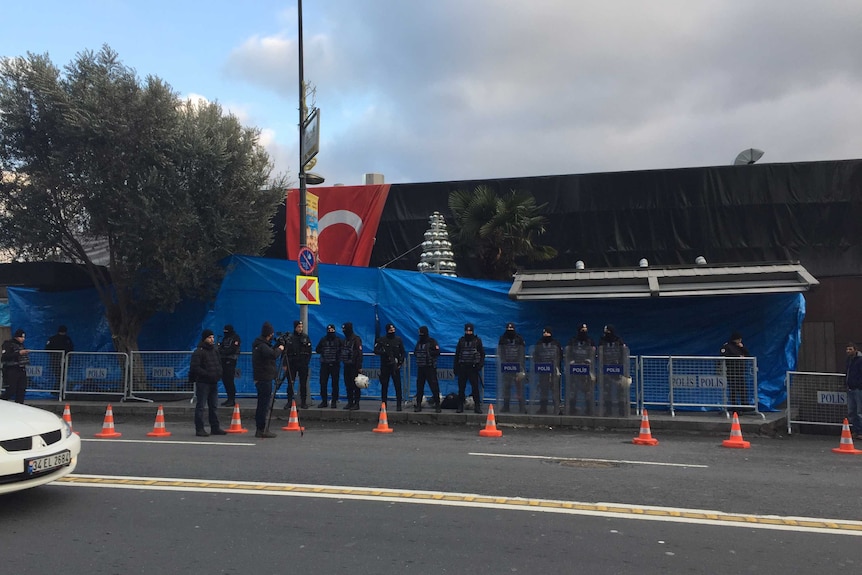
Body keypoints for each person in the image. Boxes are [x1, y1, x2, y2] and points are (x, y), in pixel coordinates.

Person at [190, 329, 227, 437]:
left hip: (213, 382)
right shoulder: (199, 352)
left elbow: (218, 363)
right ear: (204, 338)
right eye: (209, 337)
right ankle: (199, 428)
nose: (212, 339)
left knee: (214, 406)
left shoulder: (214, 351)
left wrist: (219, 373)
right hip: (203, 382)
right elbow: (195, 367)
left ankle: (215, 427)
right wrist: (207, 374)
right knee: (201, 406)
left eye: (212, 337)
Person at [251, 322, 283, 438]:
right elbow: (273, 355)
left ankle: (261, 428)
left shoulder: (260, 345)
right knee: (263, 405)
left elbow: (270, 353)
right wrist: (280, 348)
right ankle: (261, 429)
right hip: (264, 378)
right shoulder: (262, 346)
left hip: (262, 377)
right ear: (269, 334)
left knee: (262, 403)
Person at [374, 323, 405, 411]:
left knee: (397, 385)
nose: (392, 331)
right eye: (390, 330)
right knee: (384, 385)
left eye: (393, 329)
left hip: (395, 366)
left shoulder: (398, 339)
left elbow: (402, 352)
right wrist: (384, 353)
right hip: (385, 365)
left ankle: (399, 404)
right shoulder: (382, 340)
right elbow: (376, 350)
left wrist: (400, 363)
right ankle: (384, 404)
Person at [454, 323, 485, 414]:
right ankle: (460, 406)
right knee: (461, 388)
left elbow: (482, 354)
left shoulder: (477, 341)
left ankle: (477, 406)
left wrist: (480, 365)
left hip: (473, 368)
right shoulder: (461, 341)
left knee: (475, 388)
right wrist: (455, 367)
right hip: (463, 367)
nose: (468, 332)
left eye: (470, 331)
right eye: (467, 331)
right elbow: (457, 355)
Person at [497, 322, 527, 413]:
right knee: (506, 387)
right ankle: (506, 407)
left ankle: (522, 407)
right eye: (508, 329)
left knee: (520, 388)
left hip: (517, 366)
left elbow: (522, 353)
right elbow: (500, 352)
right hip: (506, 367)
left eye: (511, 328)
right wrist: (504, 362)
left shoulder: (519, 339)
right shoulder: (502, 339)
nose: (510, 330)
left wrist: (520, 365)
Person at [282, 320, 312, 409]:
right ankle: (289, 401)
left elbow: (309, 351)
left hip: (302, 363)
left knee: (303, 384)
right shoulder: (290, 338)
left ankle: (303, 402)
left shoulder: (305, 337)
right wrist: (285, 364)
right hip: (292, 363)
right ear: (295, 327)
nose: (300, 329)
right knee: (290, 383)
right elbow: (285, 352)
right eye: (299, 327)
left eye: (301, 327)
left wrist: (306, 362)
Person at [533, 326, 563, 415]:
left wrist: (557, 368)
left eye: (547, 332)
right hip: (543, 371)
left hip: (554, 370)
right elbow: (536, 356)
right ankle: (543, 408)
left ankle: (557, 409)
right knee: (543, 390)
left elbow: (559, 356)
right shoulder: (539, 343)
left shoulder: (556, 343)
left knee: (555, 391)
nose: (545, 334)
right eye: (544, 332)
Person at [720, 331, 752, 411]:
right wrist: (738, 356)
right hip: (732, 371)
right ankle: (735, 407)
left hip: (740, 371)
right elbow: (724, 355)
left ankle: (745, 405)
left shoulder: (739, 346)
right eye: (739, 339)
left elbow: (747, 354)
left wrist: (742, 347)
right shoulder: (727, 346)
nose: (740, 341)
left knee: (743, 389)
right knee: (733, 389)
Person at [414, 325, 441, 413]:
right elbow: (415, 352)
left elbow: (437, 352)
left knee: (434, 386)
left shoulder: (432, 341)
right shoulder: (419, 342)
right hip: (421, 367)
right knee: (419, 387)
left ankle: (437, 404)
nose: (420, 335)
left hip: (430, 367)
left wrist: (429, 353)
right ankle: (418, 404)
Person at [315, 324, 342, 408]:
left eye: (332, 330)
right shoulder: (323, 340)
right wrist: (324, 351)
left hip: (335, 364)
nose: (330, 332)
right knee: (323, 383)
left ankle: (334, 401)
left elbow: (342, 350)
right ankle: (324, 401)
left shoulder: (338, 340)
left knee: (335, 383)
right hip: (325, 364)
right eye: (329, 330)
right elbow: (317, 349)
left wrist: (338, 356)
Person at [1, 329, 30, 403]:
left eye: (23, 337)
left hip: (21, 369)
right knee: (11, 390)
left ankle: (19, 405)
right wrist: (19, 353)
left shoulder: (21, 345)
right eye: (21, 337)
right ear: (16, 337)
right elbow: (5, 357)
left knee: (21, 389)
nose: (23, 339)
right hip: (11, 369)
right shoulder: (8, 344)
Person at [340, 322, 364, 410]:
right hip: (347, 365)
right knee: (348, 385)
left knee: (356, 385)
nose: (343, 331)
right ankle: (350, 402)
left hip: (355, 366)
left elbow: (359, 353)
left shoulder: (356, 339)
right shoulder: (345, 340)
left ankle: (356, 403)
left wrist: (359, 366)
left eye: (344, 329)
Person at [218, 324, 241, 406]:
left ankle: (232, 399)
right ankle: (229, 398)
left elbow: (233, 349)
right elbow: (221, 347)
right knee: (225, 380)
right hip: (223, 360)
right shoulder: (225, 338)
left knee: (229, 380)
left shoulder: (235, 338)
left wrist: (224, 351)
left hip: (231, 360)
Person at [844, 342, 862, 440]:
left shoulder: (860, 360)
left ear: (855, 350)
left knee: (859, 411)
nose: (848, 351)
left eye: (850, 349)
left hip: (858, 389)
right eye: (847, 349)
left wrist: (859, 384)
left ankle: (860, 431)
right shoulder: (849, 360)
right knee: (852, 412)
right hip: (850, 388)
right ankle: (856, 430)